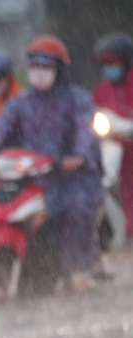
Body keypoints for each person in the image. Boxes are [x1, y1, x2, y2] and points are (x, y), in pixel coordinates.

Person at [0, 36, 102, 293]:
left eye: (46, 67)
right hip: (29, 178)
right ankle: (2, 273)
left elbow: (85, 134)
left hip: (71, 178)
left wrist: (76, 158)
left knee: (76, 209)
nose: (39, 73)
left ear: (60, 70)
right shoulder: (20, 103)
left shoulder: (77, 99)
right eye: (34, 67)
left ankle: (79, 269)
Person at [91, 32, 133, 240]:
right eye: (105, 64)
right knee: (117, 186)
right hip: (115, 148)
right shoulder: (102, 88)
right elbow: (93, 113)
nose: (109, 69)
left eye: (113, 63)